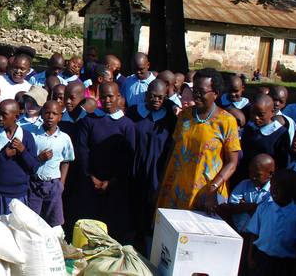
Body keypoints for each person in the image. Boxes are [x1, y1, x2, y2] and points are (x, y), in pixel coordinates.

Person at [156, 67, 240, 214]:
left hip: (206, 194)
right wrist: (161, 185)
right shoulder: (185, 116)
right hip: (176, 190)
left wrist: (214, 187)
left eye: (201, 92)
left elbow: (232, 163)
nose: (197, 95)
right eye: (195, 90)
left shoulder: (226, 122)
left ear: (216, 94)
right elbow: (173, 152)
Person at [73, 82, 135, 239]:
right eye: (103, 97)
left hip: (115, 181)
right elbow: (82, 149)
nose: (107, 100)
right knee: (87, 223)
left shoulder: (126, 124)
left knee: (111, 225)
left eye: (111, 96)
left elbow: (128, 155)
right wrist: (91, 177)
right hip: (90, 178)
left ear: (118, 97)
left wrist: (112, 181)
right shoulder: (90, 120)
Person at [127, 79, 175, 243]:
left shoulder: (169, 117)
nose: (156, 100)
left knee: (150, 205)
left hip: (156, 170)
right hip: (134, 166)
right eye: (153, 96)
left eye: (160, 97)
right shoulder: (133, 111)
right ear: (146, 95)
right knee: (132, 203)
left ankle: (145, 243)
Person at [247, 169, 296, 276]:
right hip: (262, 259)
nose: (273, 191)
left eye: (280, 188)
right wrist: (250, 257)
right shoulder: (263, 208)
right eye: (272, 185)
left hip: (284, 264)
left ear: (293, 192)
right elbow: (254, 234)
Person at [0, 99, 39, 215]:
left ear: (16, 117)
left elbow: (33, 168)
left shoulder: (26, 137)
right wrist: (4, 155)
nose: (0, 118)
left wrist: (22, 151)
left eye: (4, 115)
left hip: (18, 195)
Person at [223, 154, 275, 276]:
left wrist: (245, 206)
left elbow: (264, 216)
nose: (253, 177)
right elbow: (232, 208)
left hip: (257, 237)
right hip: (238, 231)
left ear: (270, 174)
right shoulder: (244, 184)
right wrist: (253, 207)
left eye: (257, 174)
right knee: (233, 263)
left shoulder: (273, 190)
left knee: (249, 265)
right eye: (250, 173)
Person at [29, 101, 73, 228]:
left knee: (54, 222)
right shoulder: (33, 136)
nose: (50, 116)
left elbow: (66, 161)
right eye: (47, 113)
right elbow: (28, 160)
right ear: (41, 115)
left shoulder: (64, 138)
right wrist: (39, 158)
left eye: (54, 114)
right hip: (34, 184)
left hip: (53, 185)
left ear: (60, 117)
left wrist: (61, 183)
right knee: (32, 220)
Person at [233, 94, 290, 190]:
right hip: (244, 180)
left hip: (265, 184)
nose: (256, 117)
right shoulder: (249, 128)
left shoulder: (280, 133)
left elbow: (283, 163)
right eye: (253, 113)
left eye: (261, 114)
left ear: (272, 112)